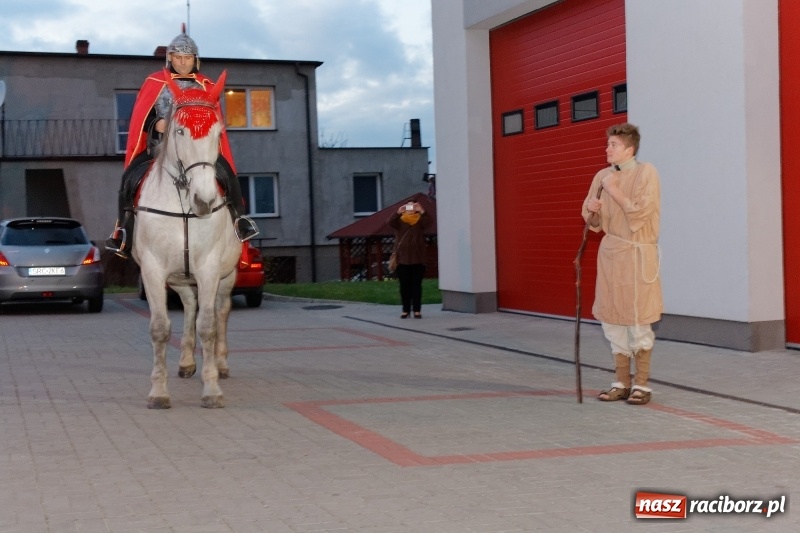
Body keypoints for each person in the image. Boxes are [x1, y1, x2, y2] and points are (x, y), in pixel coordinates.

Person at [106, 28, 259, 259]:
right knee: (130, 177)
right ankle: (124, 232)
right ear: (170, 58)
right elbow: (141, 116)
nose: (183, 62)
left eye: (187, 57)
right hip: (160, 149)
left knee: (227, 172)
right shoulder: (155, 82)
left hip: (198, 148)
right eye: (178, 57)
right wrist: (155, 123)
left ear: (195, 60)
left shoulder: (205, 85)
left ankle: (240, 220)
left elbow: (213, 117)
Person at [581, 123, 662, 405]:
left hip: (637, 255)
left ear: (629, 149)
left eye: (613, 145)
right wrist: (592, 212)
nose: (607, 149)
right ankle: (621, 382)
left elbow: (639, 213)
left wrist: (614, 190)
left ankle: (642, 385)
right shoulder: (601, 176)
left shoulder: (646, 172)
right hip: (611, 255)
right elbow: (593, 223)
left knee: (637, 319)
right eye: (608, 144)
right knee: (612, 318)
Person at [388, 200, 431, 319]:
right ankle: (405, 310)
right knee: (404, 287)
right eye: (408, 206)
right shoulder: (400, 221)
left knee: (416, 286)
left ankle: (417, 310)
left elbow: (429, 222)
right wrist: (398, 212)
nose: (411, 209)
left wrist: (422, 211)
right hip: (402, 260)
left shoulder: (420, 221)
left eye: (413, 206)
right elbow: (390, 222)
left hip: (418, 259)